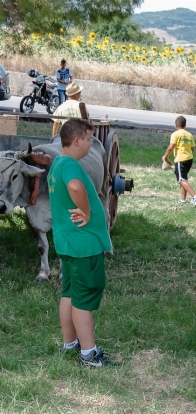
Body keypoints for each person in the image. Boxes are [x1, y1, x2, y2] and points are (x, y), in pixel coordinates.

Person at [48, 118, 117, 366]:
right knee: (84, 297)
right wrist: (86, 211)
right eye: (89, 139)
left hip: (69, 242)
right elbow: (76, 187)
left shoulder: (58, 163)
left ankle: (70, 344)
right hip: (83, 245)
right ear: (77, 141)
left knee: (70, 292)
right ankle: (89, 355)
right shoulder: (71, 167)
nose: (91, 144)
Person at [162, 116, 196, 206]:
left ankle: (195, 196)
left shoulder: (175, 134)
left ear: (176, 125)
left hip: (180, 159)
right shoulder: (189, 135)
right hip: (189, 159)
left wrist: (165, 156)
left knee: (181, 179)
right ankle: (182, 200)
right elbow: (192, 148)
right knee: (184, 179)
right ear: (185, 125)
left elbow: (171, 147)